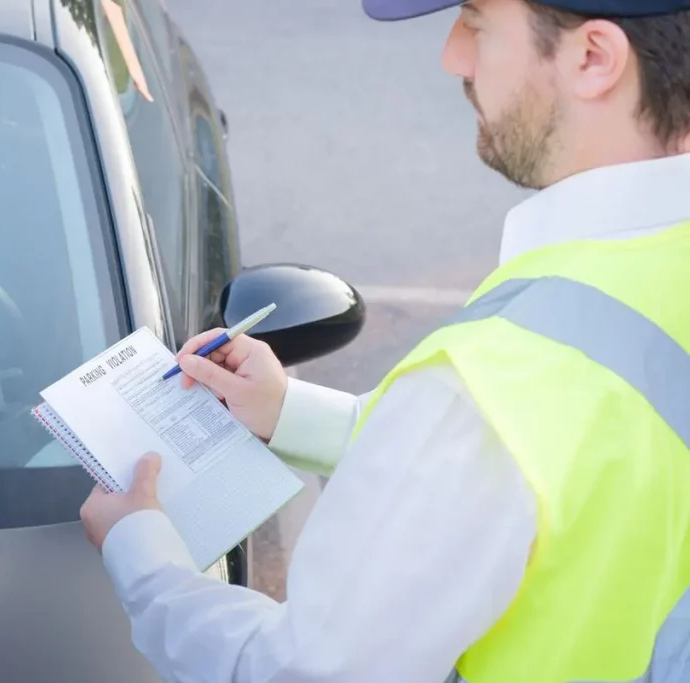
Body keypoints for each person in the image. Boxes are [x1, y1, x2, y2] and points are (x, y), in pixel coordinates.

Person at [79, 0, 690, 680]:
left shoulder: (487, 392)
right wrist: (291, 412)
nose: (452, 55)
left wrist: (145, 562)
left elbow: (305, 672)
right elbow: (569, 468)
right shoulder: (632, 288)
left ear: (593, 58)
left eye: (478, 22)